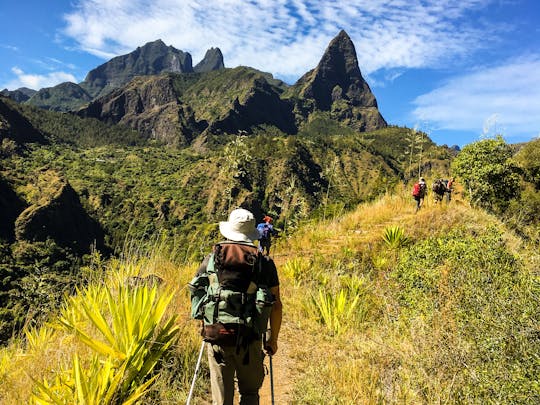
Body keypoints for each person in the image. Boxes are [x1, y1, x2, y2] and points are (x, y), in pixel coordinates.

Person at [194, 208, 282, 405]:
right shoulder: (264, 263)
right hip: (250, 338)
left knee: (222, 399)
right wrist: (272, 339)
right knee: (250, 394)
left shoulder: (212, 259)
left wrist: (205, 324)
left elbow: (198, 292)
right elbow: (276, 306)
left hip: (217, 335)